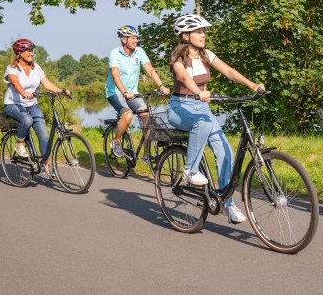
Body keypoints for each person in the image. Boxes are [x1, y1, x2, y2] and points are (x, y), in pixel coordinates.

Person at [167, 14, 265, 224]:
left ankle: (228, 204)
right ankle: (189, 170)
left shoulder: (206, 55)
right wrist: (197, 92)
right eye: (198, 32)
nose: (203, 35)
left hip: (201, 107)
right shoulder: (178, 59)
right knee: (201, 123)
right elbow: (184, 77)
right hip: (179, 107)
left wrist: (252, 85)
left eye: (204, 31)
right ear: (186, 35)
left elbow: (228, 71)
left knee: (225, 152)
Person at [3, 38, 70, 176]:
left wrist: (61, 91)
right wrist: (23, 92)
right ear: (19, 52)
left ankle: (46, 163)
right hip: (13, 104)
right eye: (28, 51)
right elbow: (15, 83)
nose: (31, 53)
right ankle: (20, 143)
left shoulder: (36, 67)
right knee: (27, 120)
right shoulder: (12, 68)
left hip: (32, 104)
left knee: (44, 135)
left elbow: (47, 83)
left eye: (32, 50)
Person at [105, 25, 170, 159]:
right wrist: (124, 92)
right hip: (115, 92)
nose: (136, 41)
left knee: (146, 116)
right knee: (128, 115)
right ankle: (116, 141)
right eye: (133, 38)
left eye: (136, 38)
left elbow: (150, 70)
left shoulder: (139, 52)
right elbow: (115, 75)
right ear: (124, 40)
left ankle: (146, 154)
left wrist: (161, 86)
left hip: (133, 92)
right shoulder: (115, 53)